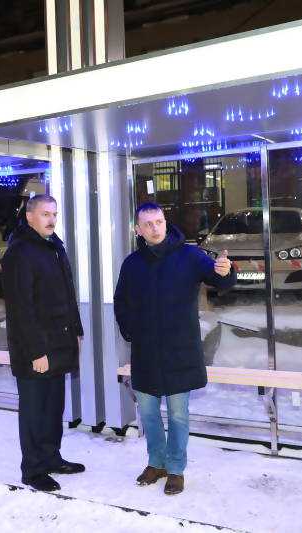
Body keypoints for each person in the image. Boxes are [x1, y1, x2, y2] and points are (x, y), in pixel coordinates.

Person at [114, 202, 236, 495]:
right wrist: (131, 331)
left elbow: (219, 277)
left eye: (159, 221)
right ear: (138, 229)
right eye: (148, 224)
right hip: (145, 352)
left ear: (165, 223)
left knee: (179, 414)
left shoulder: (189, 255)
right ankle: (156, 463)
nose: (155, 228)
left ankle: (176, 469)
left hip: (180, 350)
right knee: (148, 413)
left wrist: (226, 270)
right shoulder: (132, 263)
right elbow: (122, 301)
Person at [1, 193, 85, 492]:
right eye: (45, 214)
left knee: (52, 407)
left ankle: (51, 458)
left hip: (59, 342)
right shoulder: (20, 252)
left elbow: (68, 294)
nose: (51, 220)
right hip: (35, 349)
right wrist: (36, 352)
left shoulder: (53, 247)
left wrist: (76, 332)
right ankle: (33, 469)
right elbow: (20, 309)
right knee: (34, 410)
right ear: (29, 217)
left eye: (54, 214)